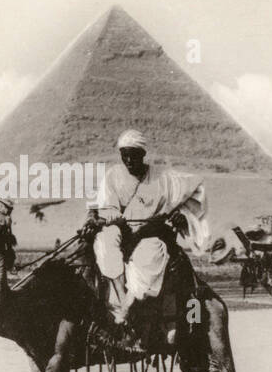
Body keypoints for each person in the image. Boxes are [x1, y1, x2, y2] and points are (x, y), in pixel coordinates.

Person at [84, 129, 210, 325]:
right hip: (121, 229)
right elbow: (106, 206)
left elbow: (195, 188)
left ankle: (130, 302)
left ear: (143, 154)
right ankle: (121, 296)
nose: (128, 160)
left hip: (151, 233)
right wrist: (105, 218)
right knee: (104, 241)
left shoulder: (164, 178)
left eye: (132, 155)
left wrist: (181, 215)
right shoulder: (113, 175)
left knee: (150, 253)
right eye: (123, 155)